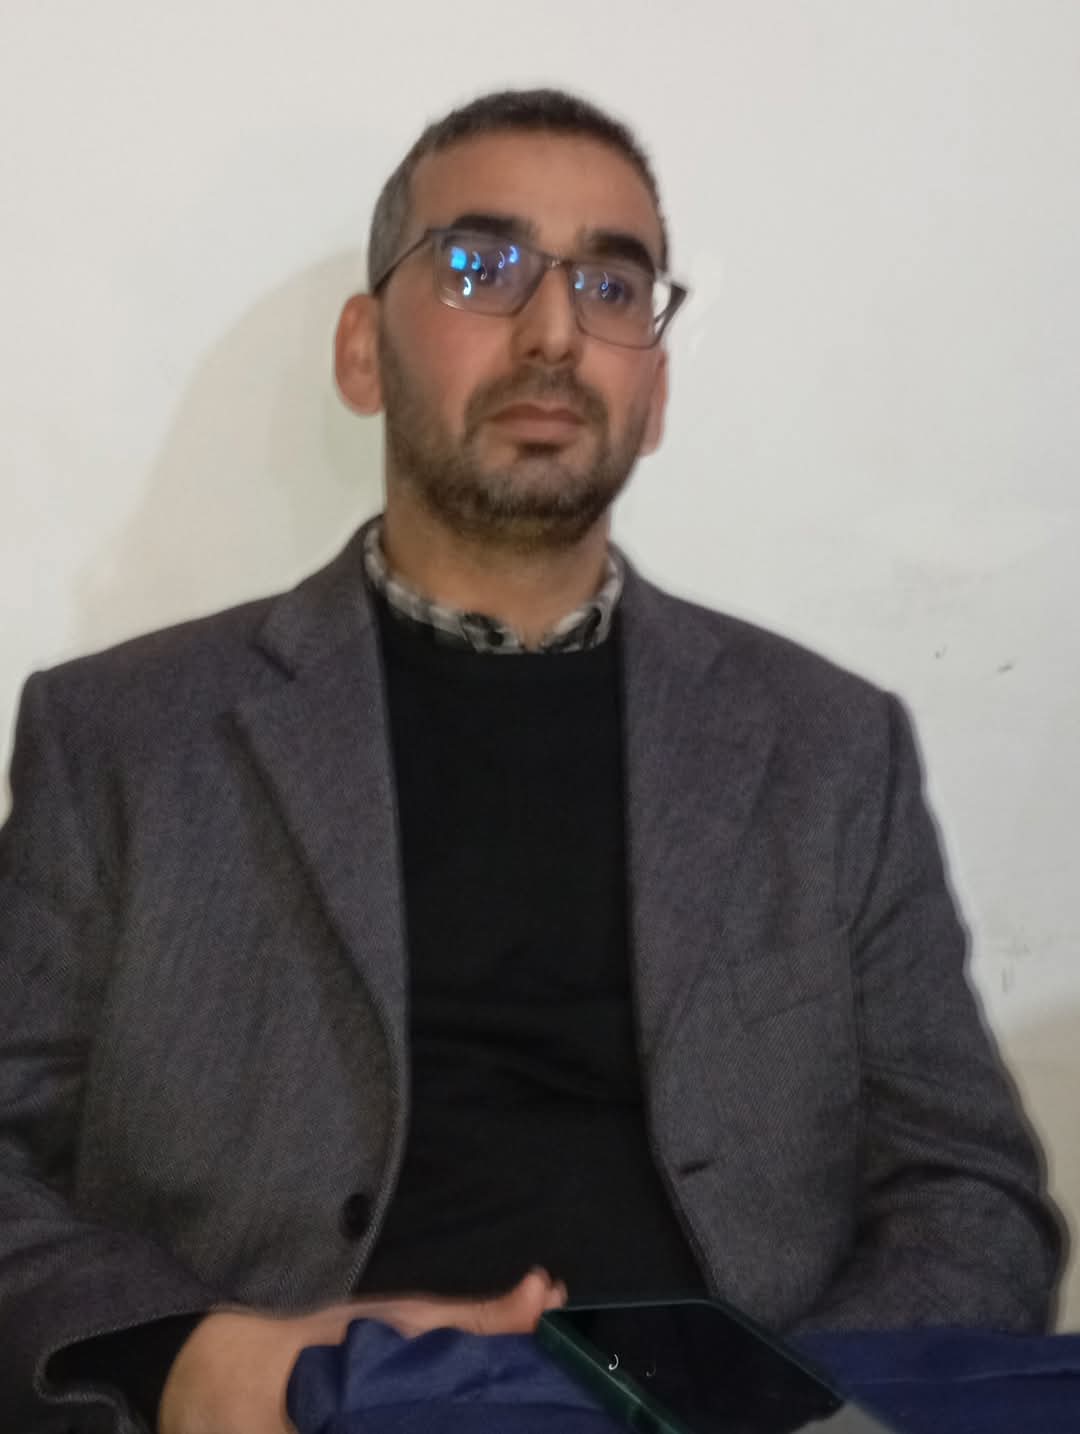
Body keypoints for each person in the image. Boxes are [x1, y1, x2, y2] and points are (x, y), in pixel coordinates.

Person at [0, 87, 1062, 1434]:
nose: (555, 331)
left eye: (613, 286)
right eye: (480, 265)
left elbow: (968, 1189)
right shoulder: (124, 737)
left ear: (654, 390)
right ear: (363, 352)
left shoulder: (830, 747)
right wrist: (193, 1360)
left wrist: (799, 1406)